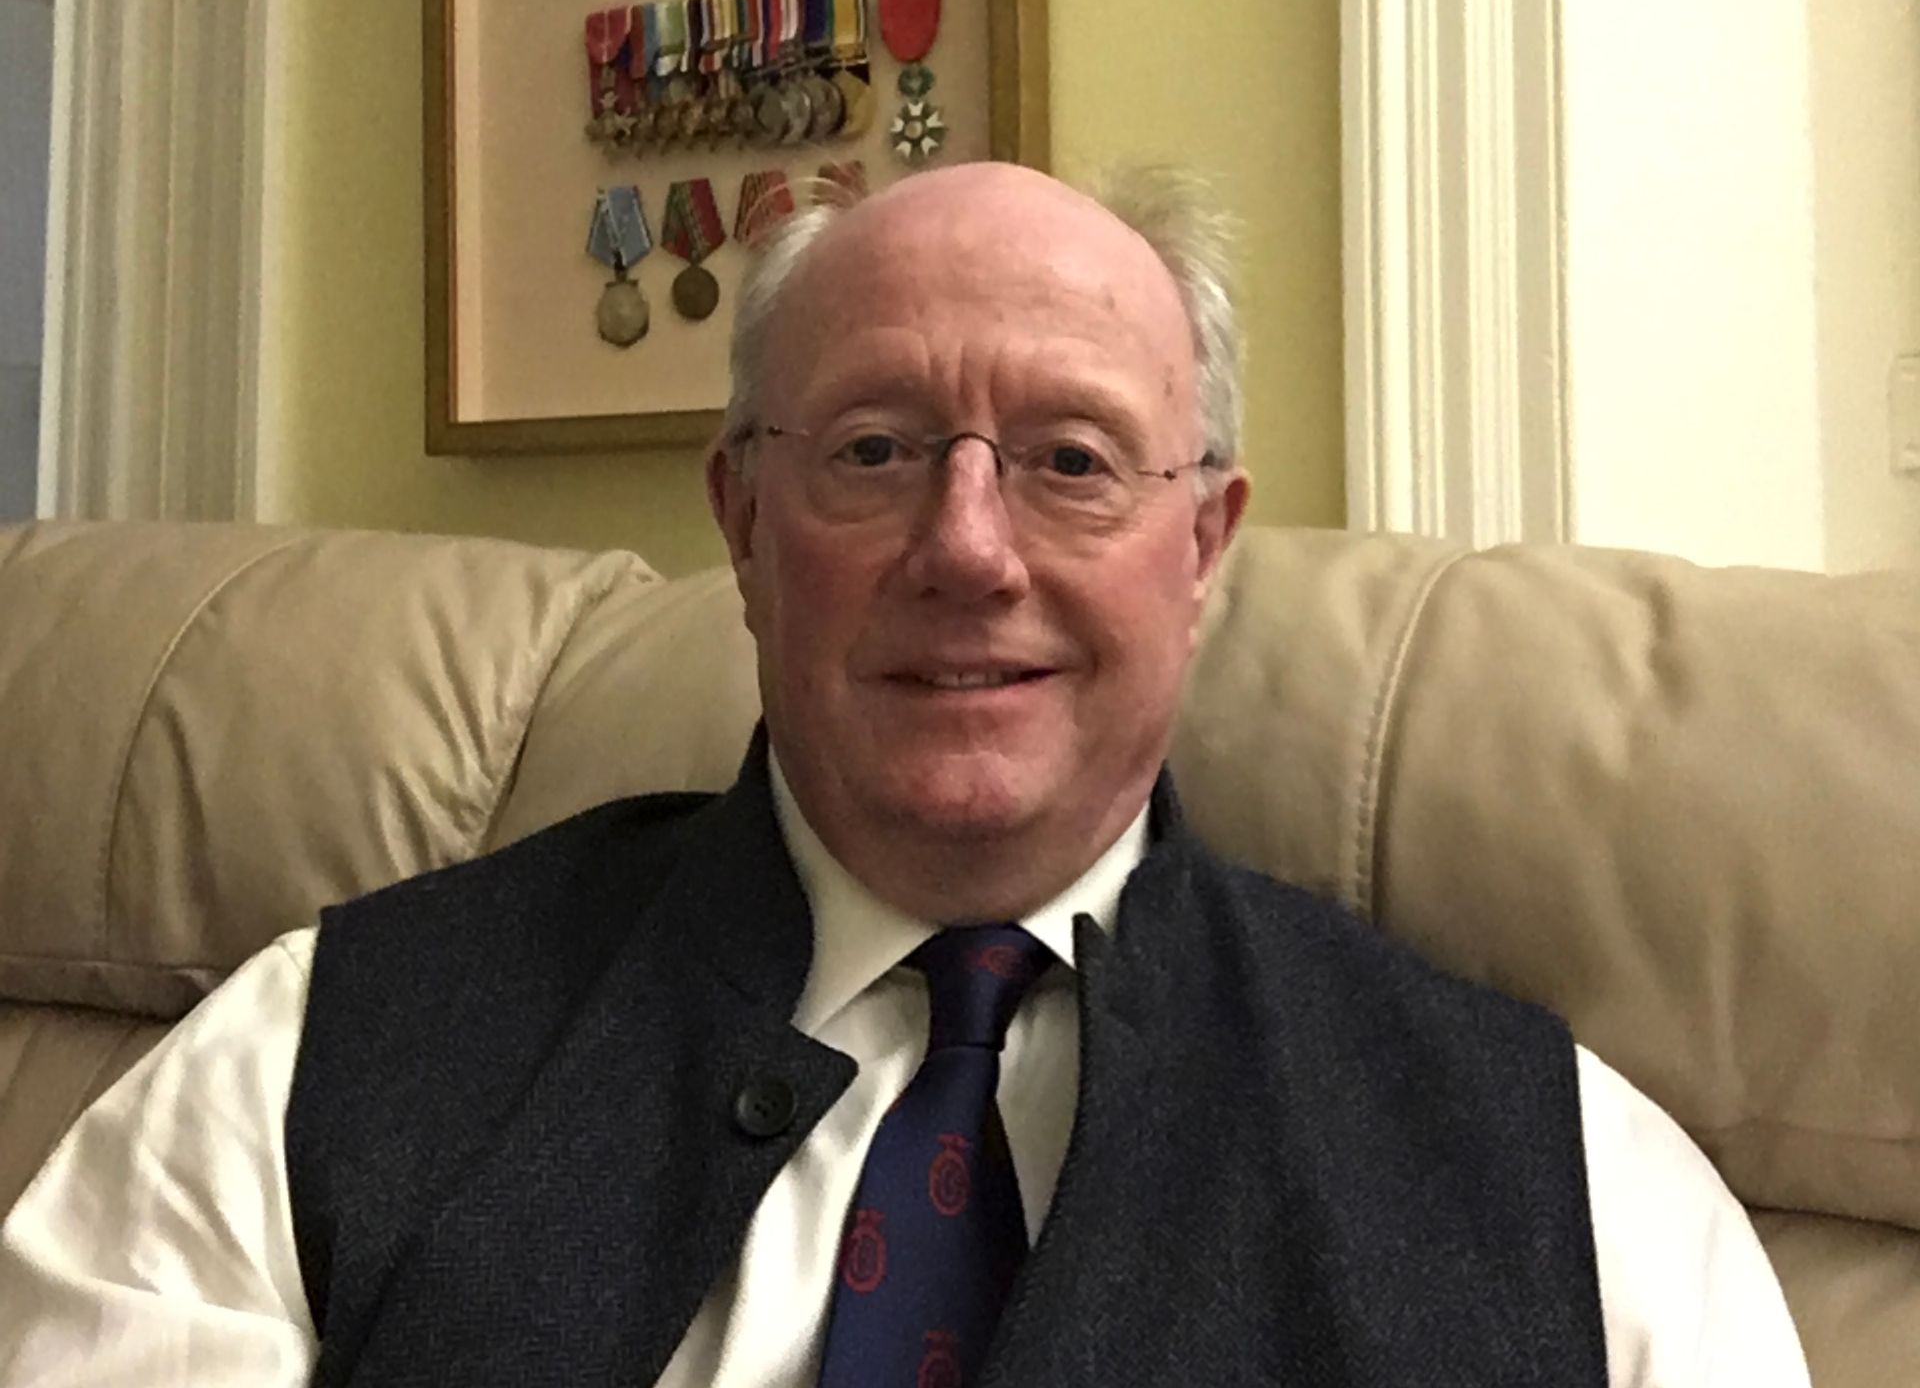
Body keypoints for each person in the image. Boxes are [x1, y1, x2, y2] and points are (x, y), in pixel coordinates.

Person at [0, 162, 1809, 1386]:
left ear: (1205, 547)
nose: (968, 546)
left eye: (1074, 460)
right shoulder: (309, 1064)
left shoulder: (1562, 1181)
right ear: (742, 522)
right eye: (873, 448)